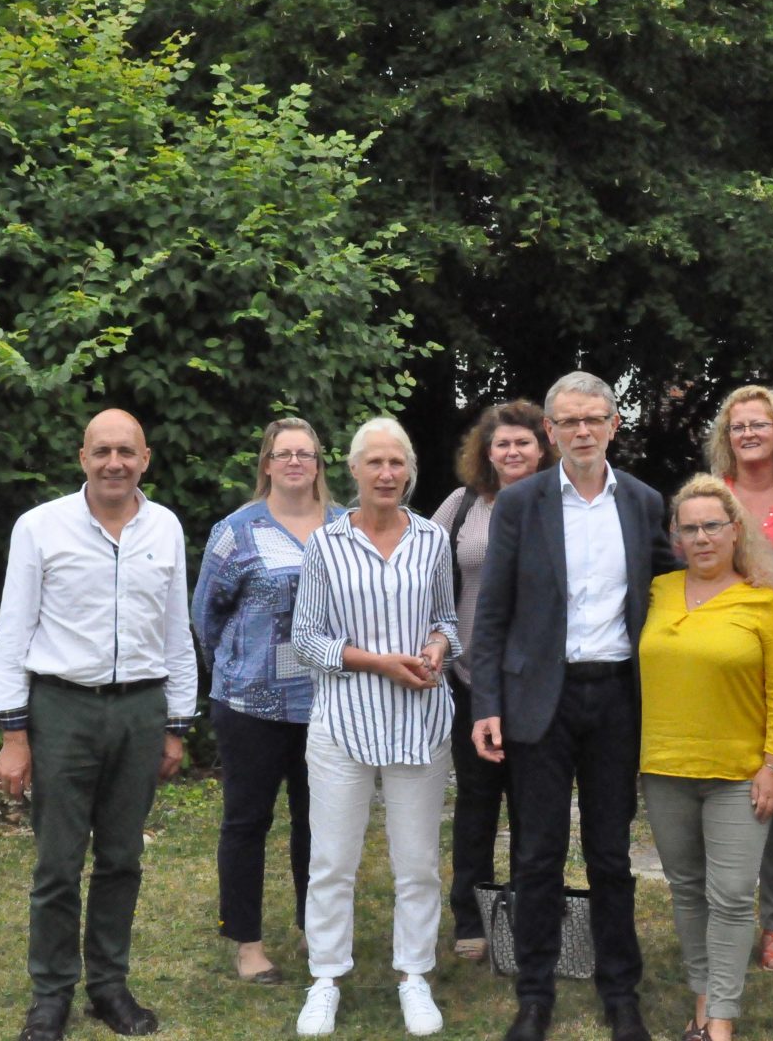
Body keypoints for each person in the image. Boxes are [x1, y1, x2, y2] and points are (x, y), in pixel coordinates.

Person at [469, 371, 673, 1041]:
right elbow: (492, 614)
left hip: (616, 696)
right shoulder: (522, 504)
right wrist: (486, 704)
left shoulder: (643, 503)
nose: (582, 432)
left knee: (611, 854)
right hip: (539, 700)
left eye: (594, 419)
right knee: (537, 855)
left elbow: (672, 592)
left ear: (614, 425)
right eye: (569, 422)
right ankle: (535, 993)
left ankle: (621, 993)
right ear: (551, 432)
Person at [0, 409, 198, 1041]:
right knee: (57, 862)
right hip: (63, 709)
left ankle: (109, 986)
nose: (115, 462)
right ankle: (50, 994)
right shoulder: (40, 527)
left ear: (145, 459)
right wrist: (13, 736)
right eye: (102, 450)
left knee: (122, 858)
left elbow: (176, 634)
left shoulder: (165, 528)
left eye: (126, 452)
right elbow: (12, 634)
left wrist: (177, 725)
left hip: (140, 709)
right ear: (82, 457)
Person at [289, 417, 460, 1038]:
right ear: (354, 470)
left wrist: (439, 646)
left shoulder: (432, 541)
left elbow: (445, 618)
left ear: (409, 471)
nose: (387, 474)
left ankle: (413, 975)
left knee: (416, 862)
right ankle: (326, 977)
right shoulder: (326, 546)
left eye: (397, 464)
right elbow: (306, 640)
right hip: (343, 722)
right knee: (332, 860)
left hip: (419, 722)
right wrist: (380, 662)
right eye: (375, 463)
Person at [638, 475, 773, 1041]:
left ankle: (722, 1020)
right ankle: (703, 998)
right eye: (690, 528)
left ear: (736, 531)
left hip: (740, 774)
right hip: (664, 767)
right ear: (676, 537)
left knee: (730, 895)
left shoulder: (765, 603)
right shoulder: (658, 591)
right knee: (686, 889)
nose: (702, 537)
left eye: (713, 525)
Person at [191, 417, 342, 985]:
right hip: (250, 704)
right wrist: (237, 671)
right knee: (247, 822)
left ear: (319, 464)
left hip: (328, 700)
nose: (296, 462)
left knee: (319, 823)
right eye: (285, 453)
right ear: (268, 464)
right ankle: (247, 944)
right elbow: (206, 616)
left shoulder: (344, 526)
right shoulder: (237, 531)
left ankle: (315, 930)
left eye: (306, 453)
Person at [431, 400, 554, 961]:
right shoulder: (460, 507)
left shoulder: (561, 504)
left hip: (539, 683)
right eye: (501, 444)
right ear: (486, 452)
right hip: (470, 678)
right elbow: (424, 573)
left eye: (522, 443)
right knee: (477, 804)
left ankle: (531, 918)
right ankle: (471, 920)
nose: (512, 452)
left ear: (543, 448)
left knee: (535, 806)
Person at [706, 384, 773, 971]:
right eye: (738, 425)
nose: (748, 433)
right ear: (726, 435)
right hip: (729, 659)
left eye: (759, 425)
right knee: (731, 788)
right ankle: (728, 913)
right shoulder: (713, 495)